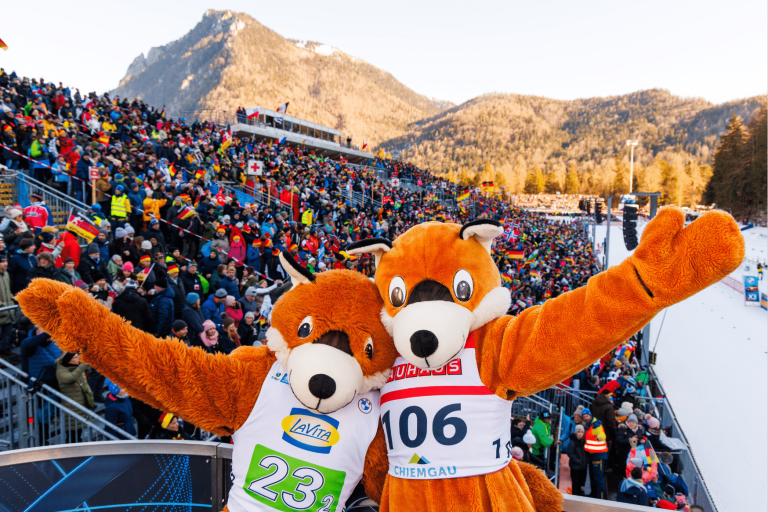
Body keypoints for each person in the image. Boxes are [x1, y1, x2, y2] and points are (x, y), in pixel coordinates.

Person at [55, 351, 94, 441]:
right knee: (72, 436)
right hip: (71, 408)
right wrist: (84, 364)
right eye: (75, 358)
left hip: (81, 405)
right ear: (68, 360)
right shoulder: (61, 371)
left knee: (79, 433)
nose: (78, 359)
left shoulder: (76, 367)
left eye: (78, 357)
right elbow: (71, 378)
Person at [582, 408, 608, 500]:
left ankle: (601, 499)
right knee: (594, 477)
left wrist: (600, 438)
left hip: (598, 455)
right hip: (593, 455)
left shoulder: (596, 425)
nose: (585, 418)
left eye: (587, 416)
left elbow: (601, 434)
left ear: (590, 415)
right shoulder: (588, 425)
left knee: (599, 478)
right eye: (584, 417)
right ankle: (595, 497)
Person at [150, 272, 175, 337]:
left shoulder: (163, 300)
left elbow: (162, 317)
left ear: (159, 287)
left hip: (162, 331)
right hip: (163, 329)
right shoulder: (162, 296)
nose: (154, 287)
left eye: (155, 286)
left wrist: (157, 331)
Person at [566, 424, 588, 497]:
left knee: (580, 483)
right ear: (576, 433)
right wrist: (578, 461)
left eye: (582, 432)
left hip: (582, 467)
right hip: (575, 467)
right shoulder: (572, 442)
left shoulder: (584, 442)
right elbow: (570, 453)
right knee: (575, 484)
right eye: (579, 432)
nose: (580, 434)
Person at [0, 256, 15, 359]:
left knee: (7, 332)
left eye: (6, 262)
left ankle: (5, 351)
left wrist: (12, 299)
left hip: (8, 309)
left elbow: (8, 290)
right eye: (2, 262)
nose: (5, 264)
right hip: (2, 309)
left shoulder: (6, 274)